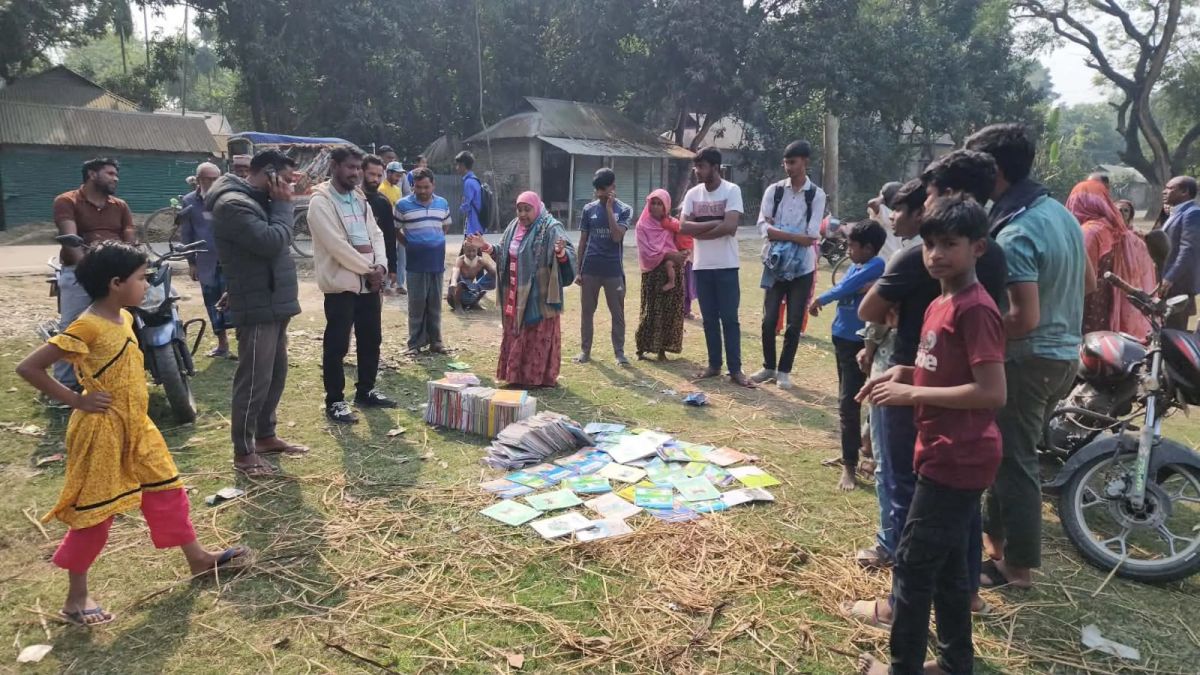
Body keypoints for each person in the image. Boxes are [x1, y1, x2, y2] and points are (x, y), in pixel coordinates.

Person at [15, 241, 252, 626]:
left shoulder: (124, 317)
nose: (146, 286)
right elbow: (29, 368)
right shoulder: (86, 325)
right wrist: (79, 401)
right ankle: (76, 598)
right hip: (102, 433)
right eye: (141, 279)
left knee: (168, 491)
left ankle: (198, 560)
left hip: (138, 426)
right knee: (95, 515)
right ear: (115, 283)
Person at [849, 150, 1007, 612]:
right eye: (930, 243)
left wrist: (908, 386)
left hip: (940, 420)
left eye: (931, 191)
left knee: (905, 494)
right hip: (942, 400)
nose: (934, 251)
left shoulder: (940, 276)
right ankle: (965, 595)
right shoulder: (975, 269)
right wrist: (911, 372)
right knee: (957, 517)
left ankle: (901, 601)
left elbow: (869, 311)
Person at [965, 124, 1086, 590]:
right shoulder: (1058, 213)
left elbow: (1023, 316)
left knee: (1014, 462)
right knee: (1008, 456)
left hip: (1027, 357)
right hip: (1061, 357)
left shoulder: (1016, 231)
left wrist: (974, 344)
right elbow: (1089, 283)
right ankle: (998, 549)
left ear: (993, 170)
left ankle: (1017, 568)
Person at [208, 150, 309, 477]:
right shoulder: (232, 204)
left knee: (275, 374)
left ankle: (265, 435)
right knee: (253, 379)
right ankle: (244, 451)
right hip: (258, 303)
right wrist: (283, 206)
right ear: (270, 174)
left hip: (273, 298)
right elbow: (271, 242)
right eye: (288, 181)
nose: (290, 190)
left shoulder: (256, 198)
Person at [308, 146, 394, 424]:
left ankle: (366, 390)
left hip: (370, 284)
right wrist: (369, 270)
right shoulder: (320, 202)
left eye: (358, 168)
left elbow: (376, 234)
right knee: (337, 345)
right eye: (350, 167)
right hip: (341, 285)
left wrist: (380, 266)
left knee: (371, 339)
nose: (355, 173)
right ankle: (335, 400)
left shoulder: (359, 199)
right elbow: (336, 246)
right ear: (334, 166)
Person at [810, 220, 887, 491]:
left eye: (853, 246)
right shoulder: (858, 266)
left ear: (868, 248)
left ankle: (850, 466)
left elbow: (844, 287)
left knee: (849, 402)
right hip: (842, 336)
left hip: (858, 342)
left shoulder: (876, 266)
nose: (848, 250)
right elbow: (849, 286)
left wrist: (820, 299)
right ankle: (850, 452)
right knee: (846, 397)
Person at [472, 191, 576, 387]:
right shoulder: (513, 227)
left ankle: (536, 378)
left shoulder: (551, 227)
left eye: (527, 209)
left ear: (536, 208)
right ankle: (515, 376)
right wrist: (485, 246)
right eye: (519, 210)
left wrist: (561, 253)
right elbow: (504, 253)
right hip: (515, 291)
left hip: (539, 295)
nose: (522, 214)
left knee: (535, 334)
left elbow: (568, 255)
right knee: (516, 332)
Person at [52, 158, 137, 392]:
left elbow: (129, 233)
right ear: (91, 174)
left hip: (118, 272)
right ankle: (66, 384)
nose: (115, 178)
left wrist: (133, 261)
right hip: (80, 271)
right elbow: (70, 240)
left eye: (116, 174)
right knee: (72, 326)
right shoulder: (66, 201)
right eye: (109, 173)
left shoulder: (120, 205)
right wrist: (90, 272)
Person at [752, 141, 827, 389]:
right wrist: (793, 237)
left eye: (793, 162)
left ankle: (784, 371)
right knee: (768, 319)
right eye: (786, 162)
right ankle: (768, 367)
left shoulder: (816, 194)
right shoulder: (774, 190)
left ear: (805, 162)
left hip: (802, 268)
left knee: (795, 322)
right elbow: (764, 227)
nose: (788, 167)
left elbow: (812, 235)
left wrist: (780, 233)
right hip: (774, 264)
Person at [681, 147, 754, 387]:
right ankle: (714, 365)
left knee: (730, 319)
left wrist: (701, 230)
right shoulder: (693, 194)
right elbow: (683, 227)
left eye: (701, 166)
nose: (697, 171)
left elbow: (730, 226)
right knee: (709, 319)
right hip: (701, 266)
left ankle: (736, 370)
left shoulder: (732, 191)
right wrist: (715, 222)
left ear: (715, 167)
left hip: (727, 265)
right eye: (696, 166)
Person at [1067, 180, 1154, 337]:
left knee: (1090, 343)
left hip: (1089, 300)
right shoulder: (1114, 228)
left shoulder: (1089, 232)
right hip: (1110, 297)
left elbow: (1082, 276)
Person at [574, 168, 632, 366]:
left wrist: (608, 209)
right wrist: (578, 270)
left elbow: (617, 237)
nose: (599, 193)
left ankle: (619, 353)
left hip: (613, 271)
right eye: (597, 189)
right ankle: (585, 351)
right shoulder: (588, 210)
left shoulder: (624, 209)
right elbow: (582, 241)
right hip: (590, 269)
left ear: (612, 188)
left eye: (603, 189)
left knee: (617, 313)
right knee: (587, 312)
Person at [395, 167, 453, 355]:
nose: (422, 191)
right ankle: (415, 344)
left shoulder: (442, 203)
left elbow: (445, 226)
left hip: (436, 262)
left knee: (435, 303)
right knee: (417, 303)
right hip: (415, 263)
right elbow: (396, 230)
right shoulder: (402, 205)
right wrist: (411, 244)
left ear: (433, 185)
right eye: (418, 187)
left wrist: (434, 243)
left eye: (426, 187)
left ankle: (436, 342)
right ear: (413, 186)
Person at [177, 162, 232, 358]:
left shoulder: (228, 198)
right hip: (206, 261)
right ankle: (223, 344)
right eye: (208, 179)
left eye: (216, 178)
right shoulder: (189, 201)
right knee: (212, 302)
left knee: (237, 300)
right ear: (199, 180)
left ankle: (245, 345)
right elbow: (186, 233)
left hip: (231, 260)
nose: (212, 182)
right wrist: (191, 262)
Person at [634, 189, 689, 360]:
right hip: (653, 274)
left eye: (660, 204)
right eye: (653, 203)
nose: (656, 207)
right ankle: (642, 347)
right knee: (652, 312)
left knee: (670, 313)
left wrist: (682, 255)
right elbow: (646, 253)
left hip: (672, 272)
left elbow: (682, 240)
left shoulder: (672, 224)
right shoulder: (642, 226)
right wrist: (669, 255)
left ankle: (663, 350)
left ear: (666, 206)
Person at [1156, 176, 1200, 329]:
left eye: (1170, 188)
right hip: (1172, 284)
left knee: (1175, 331)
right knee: (1167, 328)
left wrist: (1170, 277)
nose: (1164, 192)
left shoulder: (1192, 214)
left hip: (1179, 285)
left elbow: (1188, 249)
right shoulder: (1176, 213)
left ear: (1184, 192)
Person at [362, 155, 399, 295]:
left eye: (379, 175)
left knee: (374, 309)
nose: (375, 179)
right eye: (371, 174)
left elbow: (389, 237)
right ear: (362, 172)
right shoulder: (352, 198)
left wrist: (392, 267)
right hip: (353, 263)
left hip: (377, 265)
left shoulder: (383, 203)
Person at [381, 161, 409, 293]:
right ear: (388, 173)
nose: (398, 178)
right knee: (388, 254)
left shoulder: (397, 190)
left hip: (398, 227)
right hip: (387, 228)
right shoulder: (381, 189)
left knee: (402, 255)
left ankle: (400, 284)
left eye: (400, 176)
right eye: (396, 175)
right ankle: (386, 284)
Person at [447, 239, 497, 310]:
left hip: (471, 290)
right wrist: (453, 282)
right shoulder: (460, 260)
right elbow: (456, 270)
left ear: (477, 250)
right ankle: (458, 305)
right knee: (461, 283)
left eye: (474, 251)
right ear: (464, 250)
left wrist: (501, 278)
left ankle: (474, 302)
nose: (471, 254)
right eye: (469, 251)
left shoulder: (481, 261)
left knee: (495, 276)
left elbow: (493, 272)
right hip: (455, 296)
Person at [868, 181, 905, 260]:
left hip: (889, 258)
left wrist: (882, 196)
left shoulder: (887, 211)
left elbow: (872, 203)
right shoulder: (885, 211)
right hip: (889, 258)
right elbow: (872, 203)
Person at [456, 151, 486, 235]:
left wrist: (461, 209)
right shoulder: (475, 180)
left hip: (473, 227)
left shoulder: (468, 182)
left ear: (463, 165)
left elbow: (466, 204)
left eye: (458, 165)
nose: (456, 168)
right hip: (478, 225)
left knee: (468, 247)